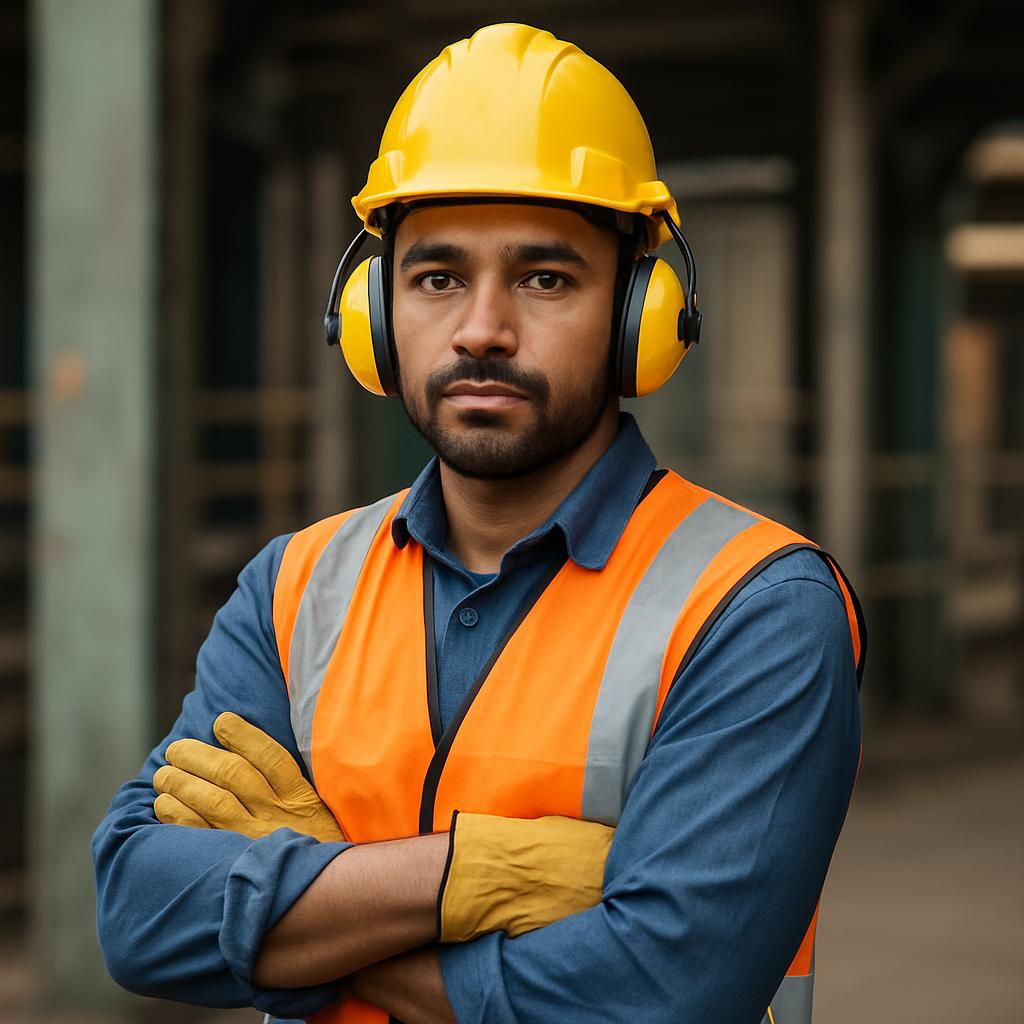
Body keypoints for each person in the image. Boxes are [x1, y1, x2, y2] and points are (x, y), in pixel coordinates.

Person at [92, 23, 864, 1024]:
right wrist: (468, 876)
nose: (480, 328)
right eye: (437, 277)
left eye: (545, 278)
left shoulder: (757, 607)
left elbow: (659, 994)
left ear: (642, 311)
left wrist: (323, 896)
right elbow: (140, 913)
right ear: (374, 314)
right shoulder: (293, 588)